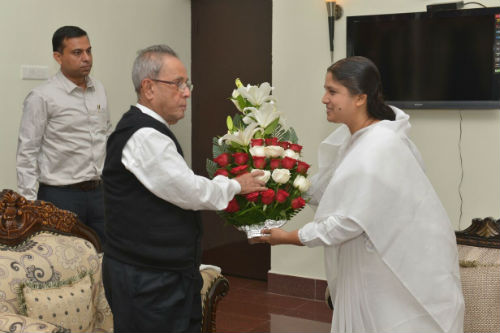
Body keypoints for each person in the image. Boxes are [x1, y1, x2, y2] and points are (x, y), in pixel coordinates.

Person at [255, 56, 464, 333]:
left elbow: (348, 223)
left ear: (360, 98)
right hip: (367, 260)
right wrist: (275, 183)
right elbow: (325, 187)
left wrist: (290, 238)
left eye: (332, 91)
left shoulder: (378, 147)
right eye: (325, 90)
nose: (323, 99)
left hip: (386, 267)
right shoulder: (356, 138)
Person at [101, 44, 267, 333]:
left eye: (186, 83)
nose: (187, 92)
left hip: (160, 272)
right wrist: (235, 185)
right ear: (149, 88)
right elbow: (189, 191)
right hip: (147, 278)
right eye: (177, 84)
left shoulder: (151, 131)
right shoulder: (143, 137)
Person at [16, 26, 111, 245]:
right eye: (77, 53)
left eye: (89, 51)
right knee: (64, 265)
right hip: (60, 197)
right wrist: (30, 206)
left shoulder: (99, 89)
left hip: (100, 194)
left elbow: (106, 133)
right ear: (58, 57)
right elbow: (27, 152)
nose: (86, 58)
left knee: (107, 260)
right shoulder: (42, 97)